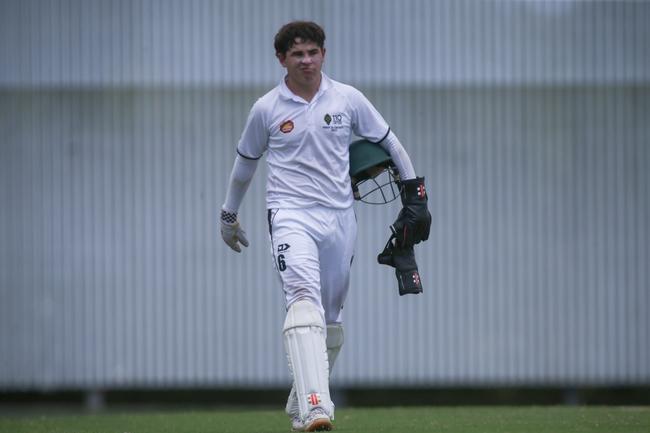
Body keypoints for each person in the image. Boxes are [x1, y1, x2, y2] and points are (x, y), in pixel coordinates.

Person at [220, 21, 430, 432]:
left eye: (313, 52)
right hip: (290, 214)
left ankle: (300, 401)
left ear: (324, 54)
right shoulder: (266, 108)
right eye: (297, 54)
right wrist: (228, 214)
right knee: (302, 300)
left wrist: (414, 194)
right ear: (281, 59)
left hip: (339, 217)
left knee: (330, 319)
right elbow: (245, 164)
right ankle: (317, 408)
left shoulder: (347, 98)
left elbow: (389, 141)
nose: (307, 60)